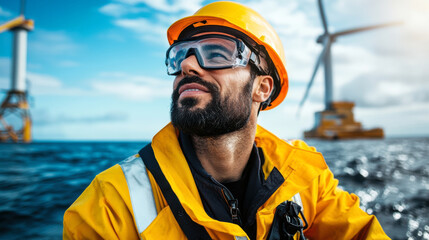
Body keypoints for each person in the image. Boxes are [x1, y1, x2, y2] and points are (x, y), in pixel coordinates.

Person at [63, 1, 389, 239]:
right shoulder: (110, 202)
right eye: (180, 57)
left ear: (262, 88)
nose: (188, 66)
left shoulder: (308, 178)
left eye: (216, 53)